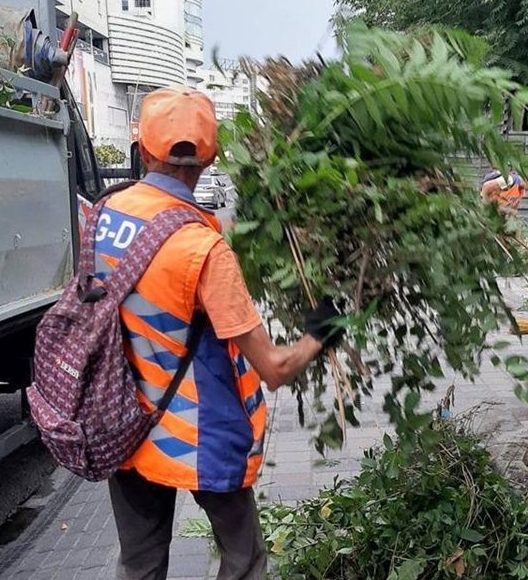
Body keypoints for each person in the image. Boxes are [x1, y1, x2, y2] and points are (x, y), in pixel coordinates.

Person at [93, 86, 342, 580]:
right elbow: (272, 369)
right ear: (210, 157)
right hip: (200, 433)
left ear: (143, 150)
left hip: (121, 423)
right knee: (244, 558)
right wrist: (320, 334)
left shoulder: (103, 215)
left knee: (139, 564)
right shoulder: (202, 249)